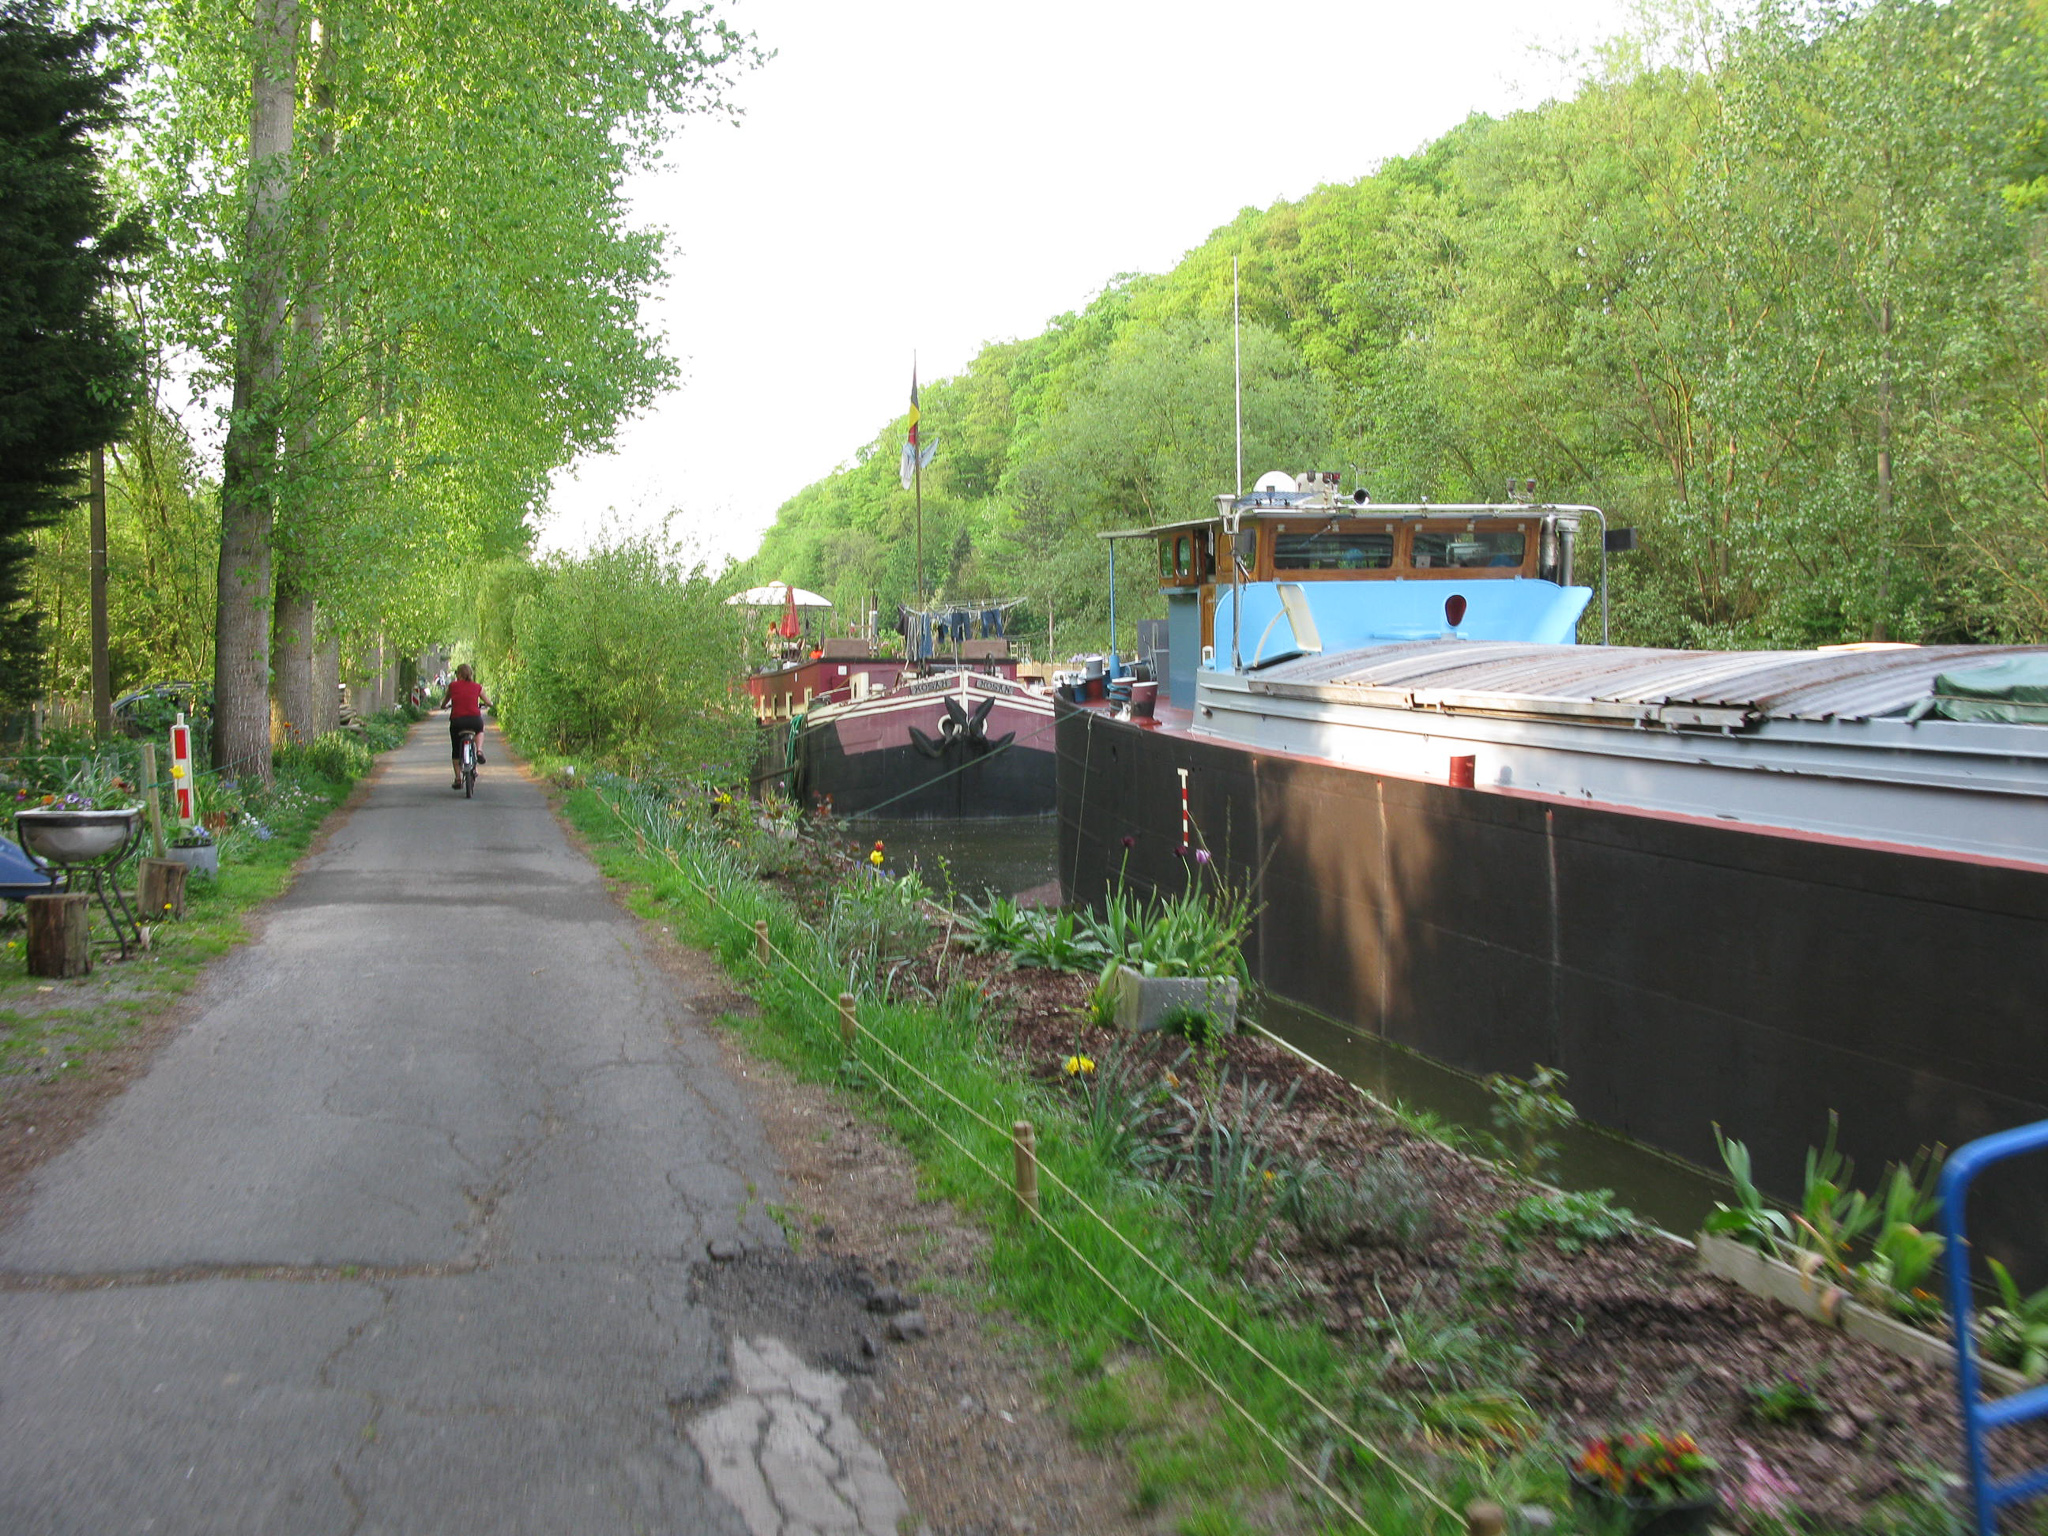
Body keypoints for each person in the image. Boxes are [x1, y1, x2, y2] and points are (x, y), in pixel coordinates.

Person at [443, 663, 492, 790]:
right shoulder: (477, 687)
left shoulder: (453, 686)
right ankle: (479, 750)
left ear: (459, 674)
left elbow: (445, 701)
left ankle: (458, 778)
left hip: (457, 722)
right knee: (480, 730)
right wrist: (489, 704)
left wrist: (443, 706)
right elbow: (488, 702)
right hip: (474, 721)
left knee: (455, 749)